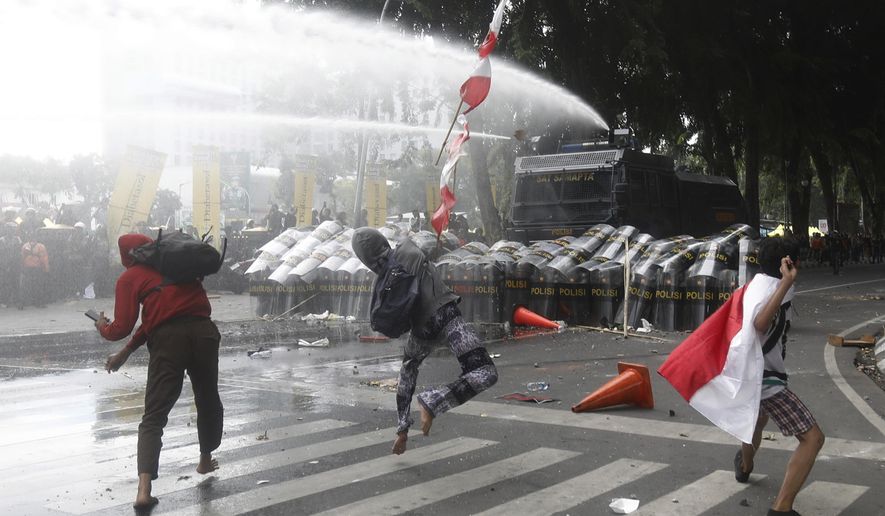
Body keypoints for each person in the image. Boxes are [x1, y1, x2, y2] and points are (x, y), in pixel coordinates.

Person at [95, 233, 223, 509]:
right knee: (207, 400)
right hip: (204, 332)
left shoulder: (130, 277)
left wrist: (103, 327)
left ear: (125, 255)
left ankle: (144, 490)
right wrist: (126, 353)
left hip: (169, 341)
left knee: (154, 415)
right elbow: (161, 313)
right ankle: (204, 459)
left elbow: (122, 327)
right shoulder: (175, 266)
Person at [351, 228, 498, 455]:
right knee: (485, 372)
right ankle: (434, 401)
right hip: (445, 315)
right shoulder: (407, 249)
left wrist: (402, 428)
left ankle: (402, 428)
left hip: (421, 331)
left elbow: (404, 376)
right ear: (382, 241)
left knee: (408, 369)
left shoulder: (381, 284)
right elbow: (432, 246)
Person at [734, 238, 824, 516]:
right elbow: (761, 323)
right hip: (766, 378)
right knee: (813, 439)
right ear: (789, 263)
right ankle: (781, 508)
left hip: (752, 374)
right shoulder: (776, 289)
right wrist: (786, 282)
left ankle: (745, 465)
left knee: (757, 421)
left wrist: (784, 281)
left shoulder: (756, 283)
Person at [20, 232, 49, 308]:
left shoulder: (25, 246)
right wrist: (46, 268)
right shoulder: (40, 246)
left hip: (31, 268)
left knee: (28, 286)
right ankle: (37, 302)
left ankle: (24, 303)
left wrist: (21, 267)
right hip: (34, 268)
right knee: (36, 286)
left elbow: (22, 257)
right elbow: (44, 258)